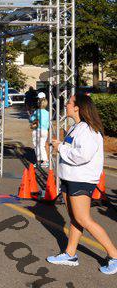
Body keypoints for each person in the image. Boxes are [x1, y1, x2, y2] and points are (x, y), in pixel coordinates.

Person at [46, 93, 117, 275]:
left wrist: (60, 147)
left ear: (78, 107)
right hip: (69, 178)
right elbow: (73, 150)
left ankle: (114, 255)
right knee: (75, 218)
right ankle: (70, 254)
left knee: (84, 219)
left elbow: (82, 156)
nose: (66, 105)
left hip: (81, 180)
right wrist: (61, 145)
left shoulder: (88, 130)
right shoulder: (76, 127)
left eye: (69, 102)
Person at [30, 93, 50, 168]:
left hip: (37, 130)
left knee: (36, 145)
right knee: (42, 145)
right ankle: (45, 160)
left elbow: (31, 119)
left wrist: (31, 116)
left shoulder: (37, 112)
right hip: (45, 131)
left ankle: (39, 160)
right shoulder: (48, 113)